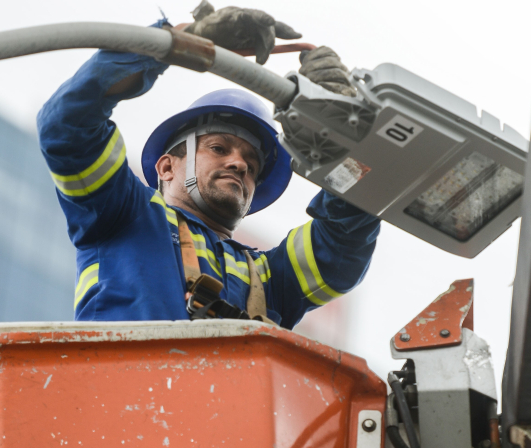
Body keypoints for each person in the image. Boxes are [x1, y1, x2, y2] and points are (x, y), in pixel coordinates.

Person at [36, 4, 380, 329]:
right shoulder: (125, 213)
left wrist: (347, 141)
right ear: (167, 167)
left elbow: (345, 238)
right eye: (219, 148)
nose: (239, 164)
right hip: (122, 391)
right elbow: (67, 124)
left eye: (252, 163)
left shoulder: (271, 277)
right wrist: (176, 40)